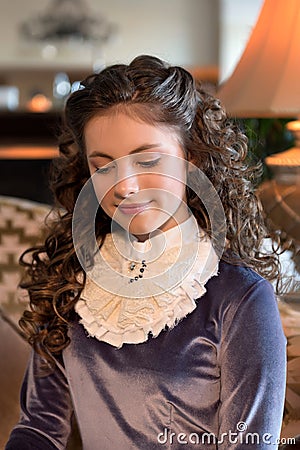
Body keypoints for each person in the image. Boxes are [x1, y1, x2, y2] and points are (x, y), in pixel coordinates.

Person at [6, 55, 286, 450]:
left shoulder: (239, 299)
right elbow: (39, 430)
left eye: (148, 160)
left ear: (192, 159)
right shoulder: (70, 281)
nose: (125, 186)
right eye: (103, 167)